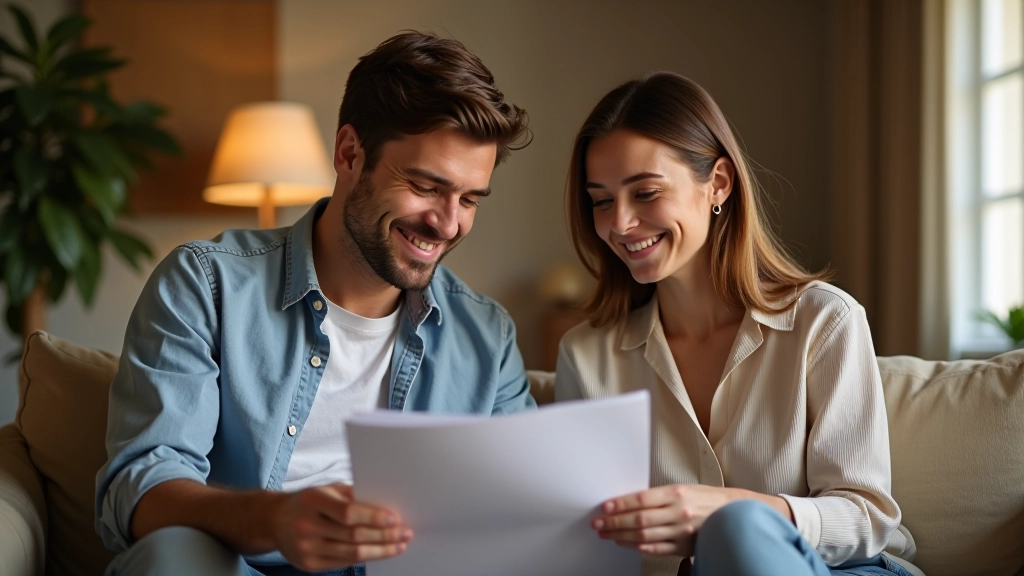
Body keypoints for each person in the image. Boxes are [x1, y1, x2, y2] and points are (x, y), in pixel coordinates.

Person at [96, 31, 534, 576]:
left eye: (468, 199)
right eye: (425, 186)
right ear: (349, 154)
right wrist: (274, 519)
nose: (447, 224)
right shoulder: (206, 284)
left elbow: (523, 505)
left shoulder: (487, 335)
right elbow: (140, 487)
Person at [555, 72, 920, 576]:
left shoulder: (824, 321)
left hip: (842, 570)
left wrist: (732, 514)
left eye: (646, 192)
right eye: (601, 200)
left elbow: (867, 518)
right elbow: (581, 536)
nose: (619, 222)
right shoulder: (585, 356)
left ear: (719, 184)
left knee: (737, 529)